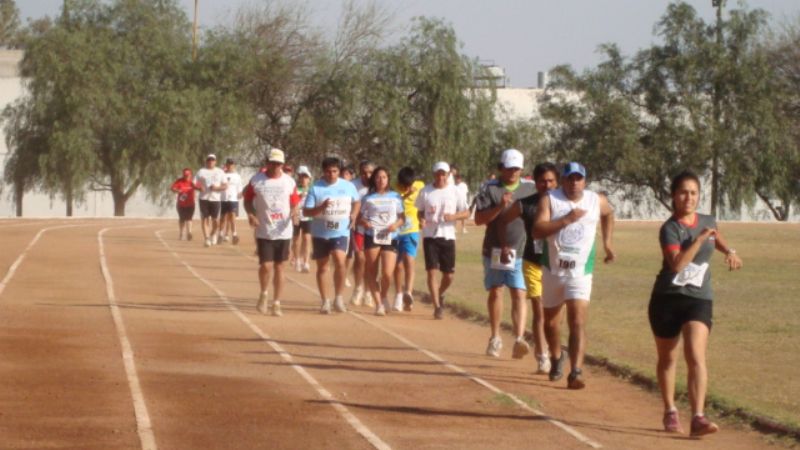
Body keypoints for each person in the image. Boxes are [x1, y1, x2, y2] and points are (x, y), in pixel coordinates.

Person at [649, 170, 742, 436]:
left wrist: (730, 251)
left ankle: (698, 417)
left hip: (698, 298)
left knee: (695, 355)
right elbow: (677, 265)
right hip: (667, 299)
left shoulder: (707, 220)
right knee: (668, 358)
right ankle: (670, 410)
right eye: (683, 192)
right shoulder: (669, 229)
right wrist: (699, 239)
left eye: (693, 193)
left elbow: (715, 234)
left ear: (698, 195)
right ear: (674, 196)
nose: (688, 197)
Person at [533, 162, 615, 389]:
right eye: (570, 178)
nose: (574, 183)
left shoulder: (595, 200)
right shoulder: (550, 199)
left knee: (577, 320)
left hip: (580, 271)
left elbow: (608, 214)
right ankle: (558, 356)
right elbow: (537, 230)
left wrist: (607, 243)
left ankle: (576, 371)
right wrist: (566, 220)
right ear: (563, 180)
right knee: (551, 323)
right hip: (553, 270)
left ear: (585, 181)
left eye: (578, 178)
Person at [474, 149, 535, 359]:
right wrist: (499, 207)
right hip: (495, 250)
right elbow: (479, 219)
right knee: (497, 291)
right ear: (501, 168)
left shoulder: (530, 188)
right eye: (509, 168)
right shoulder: (489, 189)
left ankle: (519, 339)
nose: (513, 172)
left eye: (517, 168)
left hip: (520, 250)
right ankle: (495, 337)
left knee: (519, 293)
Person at [499, 163, 559, 371]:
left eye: (551, 180)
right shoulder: (525, 204)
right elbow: (504, 220)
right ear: (535, 182)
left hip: (558, 265)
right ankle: (543, 356)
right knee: (539, 309)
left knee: (555, 314)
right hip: (533, 262)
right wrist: (505, 244)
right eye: (542, 181)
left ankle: (556, 352)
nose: (547, 185)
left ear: (557, 181)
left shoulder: (563, 204)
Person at [243, 149, 300, 316]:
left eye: (279, 163)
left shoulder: (289, 182)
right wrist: (251, 215)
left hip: (283, 230)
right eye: (273, 163)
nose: (275, 166)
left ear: (282, 164)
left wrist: (295, 212)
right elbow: (247, 201)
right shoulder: (256, 180)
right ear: (267, 162)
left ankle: (277, 302)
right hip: (264, 230)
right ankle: (263, 293)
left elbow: (295, 202)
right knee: (266, 266)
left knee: (280, 267)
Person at [303, 157, 361, 314]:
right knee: (323, 267)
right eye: (328, 171)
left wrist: (354, 214)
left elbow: (356, 202)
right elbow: (306, 212)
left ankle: (339, 298)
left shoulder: (348, 186)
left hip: (341, 231)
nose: (331, 174)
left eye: (335, 171)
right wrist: (321, 207)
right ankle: (325, 301)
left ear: (339, 171)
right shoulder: (316, 188)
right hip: (320, 232)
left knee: (340, 261)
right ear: (323, 171)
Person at [415, 161, 470, 319]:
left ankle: (438, 294)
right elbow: (420, 211)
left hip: (448, 236)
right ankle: (437, 307)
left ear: (448, 175)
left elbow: (466, 212)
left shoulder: (455, 191)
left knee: (449, 275)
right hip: (430, 236)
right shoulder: (426, 191)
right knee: (432, 272)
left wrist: (454, 216)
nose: (441, 177)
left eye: (443, 174)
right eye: (438, 174)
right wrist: (421, 220)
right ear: (434, 174)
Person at [358, 167, 405, 316]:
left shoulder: (396, 197)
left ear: (388, 179)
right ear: (374, 180)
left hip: (391, 236)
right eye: (378, 177)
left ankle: (383, 295)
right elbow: (359, 217)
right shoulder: (367, 198)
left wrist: (395, 226)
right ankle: (378, 304)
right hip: (372, 235)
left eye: (384, 177)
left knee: (387, 273)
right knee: (372, 271)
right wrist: (364, 223)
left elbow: (402, 218)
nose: (381, 180)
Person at [392, 167, 425, 312]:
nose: (408, 188)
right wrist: (406, 195)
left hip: (412, 229)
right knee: (397, 265)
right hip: (395, 229)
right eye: (404, 186)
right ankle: (398, 295)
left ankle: (408, 293)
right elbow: (393, 202)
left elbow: (424, 204)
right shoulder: (393, 187)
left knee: (409, 260)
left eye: (409, 185)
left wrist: (423, 217)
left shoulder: (420, 186)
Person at [349, 160, 375, 307]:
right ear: (360, 173)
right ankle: (358, 288)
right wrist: (358, 219)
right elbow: (349, 206)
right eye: (364, 172)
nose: (367, 175)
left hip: (375, 230)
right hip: (358, 228)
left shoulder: (378, 185)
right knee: (360, 258)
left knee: (372, 261)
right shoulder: (353, 185)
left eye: (370, 172)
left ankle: (368, 292)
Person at [195, 154, 228, 247]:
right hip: (203, 199)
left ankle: (213, 234)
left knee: (216, 221)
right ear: (206, 161)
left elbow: (225, 185)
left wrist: (217, 188)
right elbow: (194, 183)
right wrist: (198, 187)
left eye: (212, 160)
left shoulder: (220, 172)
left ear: (215, 161)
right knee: (204, 219)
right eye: (209, 160)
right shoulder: (201, 171)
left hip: (215, 199)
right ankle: (206, 239)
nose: (210, 161)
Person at [291, 165, 313, 273]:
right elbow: (292, 202)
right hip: (297, 216)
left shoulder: (312, 190)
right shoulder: (295, 189)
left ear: (309, 179)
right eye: (301, 177)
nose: (303, 179)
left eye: (305, 177)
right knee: (296, 240)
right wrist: (300, 197)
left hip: (308, 217)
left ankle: (306, 262)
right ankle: (297, 259)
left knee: (307, 239)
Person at [171, 168, 199, 241]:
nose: (186, 176)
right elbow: (172, 188)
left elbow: (199, 187)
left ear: (190, 175)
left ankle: (189, 232)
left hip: (191, 203)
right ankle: (181, 233)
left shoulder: (193, 181)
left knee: (189, 218)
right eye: (185, 175)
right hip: (181, 204)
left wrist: (198, 187)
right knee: (182, 219)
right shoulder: (179, 181)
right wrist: (177, 190)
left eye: (187, 175)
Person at [220, 158, 243, 244]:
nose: (230, 166)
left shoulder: (237, 176)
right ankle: (221, 234)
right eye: (228, 164)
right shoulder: (222, 175)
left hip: (233, 199)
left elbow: (239, 187)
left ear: (234, 166)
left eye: (232, 164)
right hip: (223, 198)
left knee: (232, 217)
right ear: (226, 165)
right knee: (223, 218)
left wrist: (240, 193)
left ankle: (234, 235)